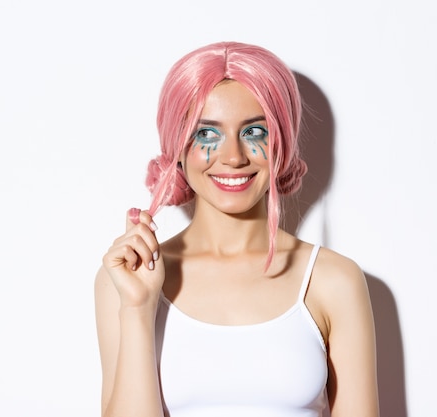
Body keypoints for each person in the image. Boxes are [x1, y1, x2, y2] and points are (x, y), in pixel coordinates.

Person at [95, 41, 379, 417]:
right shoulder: (127, 280)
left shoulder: (333, 281)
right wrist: (137, 308)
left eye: (255, 132)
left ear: (281, 144)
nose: (233, 157)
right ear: (177, 148)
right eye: (207, 134)